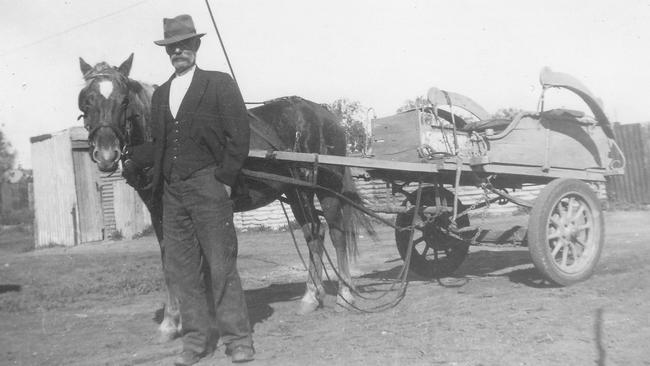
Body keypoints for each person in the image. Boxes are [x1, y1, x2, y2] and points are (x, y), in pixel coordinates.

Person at [149, 14, 254, 365]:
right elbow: (159, 145)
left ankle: (238, 340)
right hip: (172, 193)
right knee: (184, 270)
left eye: (185, 44)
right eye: (172, 46)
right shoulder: (161, 94)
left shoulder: (218, 84)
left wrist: (223, 179)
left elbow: (239, 136)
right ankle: (195, 343)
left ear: (196, 45)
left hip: (209, 185)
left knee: (221, 265)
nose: (179, 50)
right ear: (167, 52)